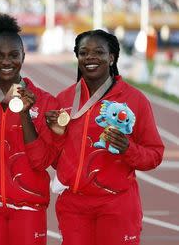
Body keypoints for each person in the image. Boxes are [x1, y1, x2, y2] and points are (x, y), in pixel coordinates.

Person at [45, 29, 164, 245]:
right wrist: (57, 136)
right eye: (83, 53)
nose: (90, 57)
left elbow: (155, 155)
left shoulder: (134, 100)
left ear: (111, 58)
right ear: (77, 57)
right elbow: (54, 160)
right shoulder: (64, 99)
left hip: (116, 204)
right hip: (74, 206)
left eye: (98, 52)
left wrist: (129, 149)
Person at [0, 14, 61, 245]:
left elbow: (41, 161)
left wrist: (25, 113)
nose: (6, 62)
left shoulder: (46, 103)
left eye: (14, 55)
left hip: (29, 202)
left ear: (23, 56)